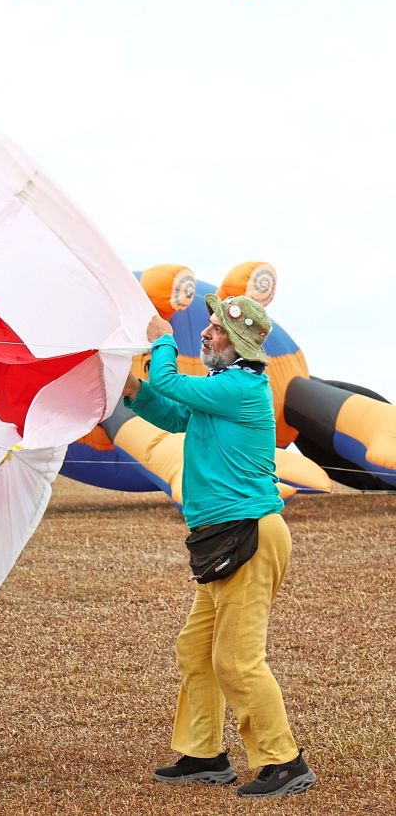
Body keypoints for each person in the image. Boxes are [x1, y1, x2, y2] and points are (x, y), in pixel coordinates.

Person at [121, 294, 316, 799]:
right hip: (224, 539)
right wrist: (133, 390)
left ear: (242, 344)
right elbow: (173, 414)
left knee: (236, 659)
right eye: (207, 324)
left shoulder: (241, 386)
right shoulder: (222, 389)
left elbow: (170, 382)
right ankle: (204, 753)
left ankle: (284, 762)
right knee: (196, 649)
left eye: (217, 329)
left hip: (247, 535)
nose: (206, 333)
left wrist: (163, 340)